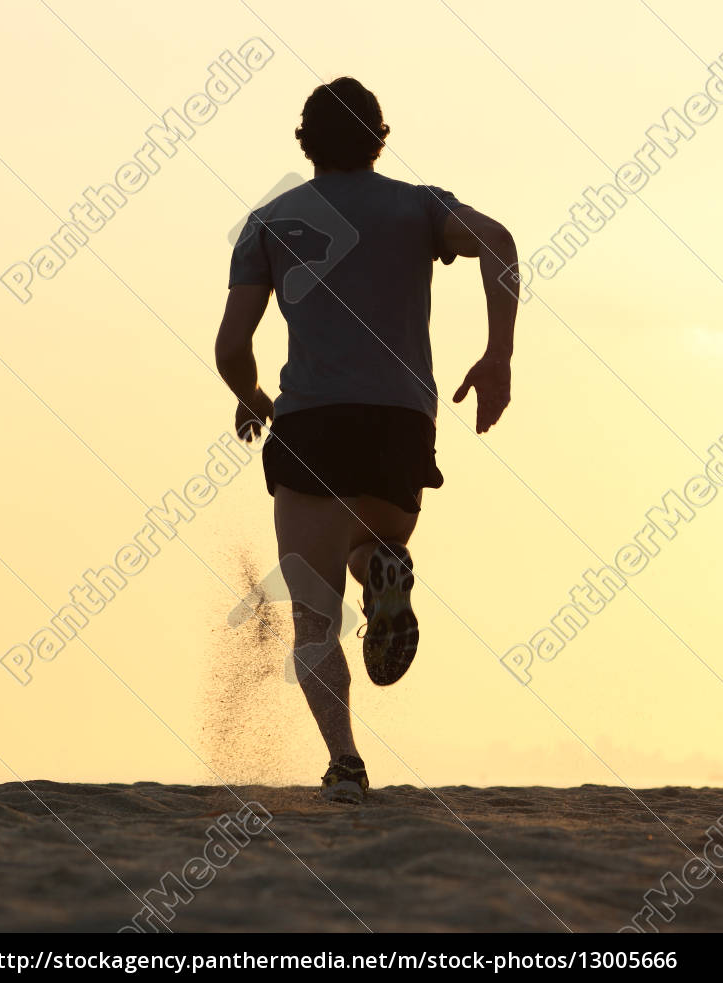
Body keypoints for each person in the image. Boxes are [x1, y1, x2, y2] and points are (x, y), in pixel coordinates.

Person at [214, 77, 518, 803]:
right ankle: (383, 560)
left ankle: (346, 762)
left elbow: (232, 347)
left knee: (315, 613)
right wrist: (498, 354)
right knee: (369, 535)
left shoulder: (268, 224)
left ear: (305, 144)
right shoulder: (419, 207)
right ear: (381, 138)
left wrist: (254, 399)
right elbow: (499, 241)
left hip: (313, 424)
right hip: (400, 429)